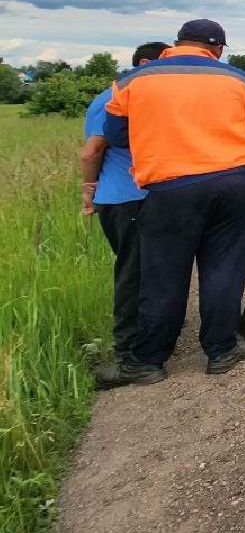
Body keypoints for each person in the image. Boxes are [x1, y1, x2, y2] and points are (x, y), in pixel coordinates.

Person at [97, 19, 245, 388]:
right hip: (234, 185)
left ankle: (147, 361)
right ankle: (221, 350)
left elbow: (116, 134)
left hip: (171, 189)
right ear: (218, 49)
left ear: (176, 43)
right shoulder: (240, 80)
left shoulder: (134, 80)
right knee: (225, 267)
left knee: (163, 274)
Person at [82, 41, 168, 370]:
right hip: (124, 200)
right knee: (133, 272)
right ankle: (129, 352)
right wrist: (88, 192)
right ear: (143, 63)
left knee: (153, 269)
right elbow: (91, 152)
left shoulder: (150, 96)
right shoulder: (112, 98)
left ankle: (153, 334)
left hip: (146, 196)